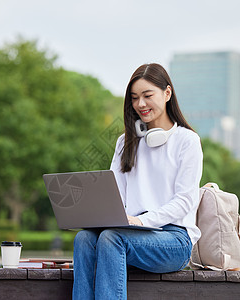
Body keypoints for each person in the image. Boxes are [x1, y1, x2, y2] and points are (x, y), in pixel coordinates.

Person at [72, 63, 203, 299]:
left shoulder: (188, 141)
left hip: (174, 239)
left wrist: (142, 221)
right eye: (134, 98)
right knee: (84, 239)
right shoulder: (125, 142)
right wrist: (98, 216)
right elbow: (115, 194)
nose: (140, 104)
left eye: (147, 95)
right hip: (129, 231)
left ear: (167, 93)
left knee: (112, 239)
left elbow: (184, 201)